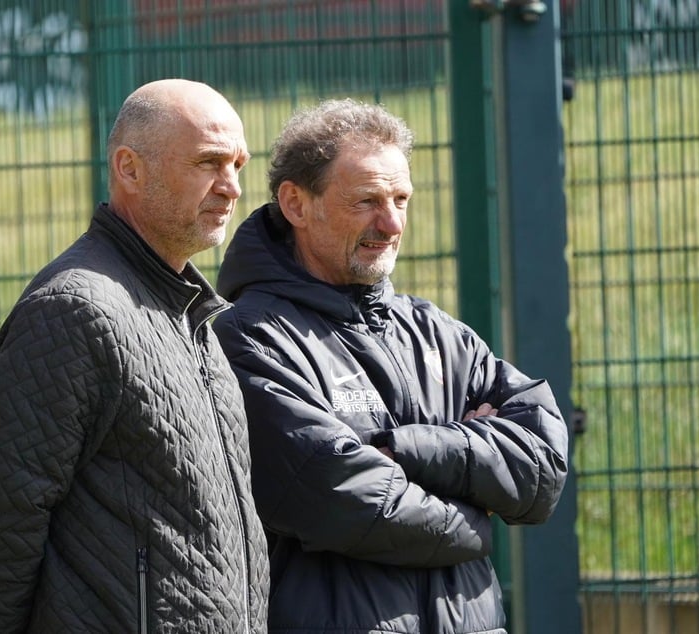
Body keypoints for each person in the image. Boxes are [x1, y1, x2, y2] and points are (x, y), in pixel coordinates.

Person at [211, 99, 569, 634]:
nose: (392, 222)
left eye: (401, 199)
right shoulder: (251, 336)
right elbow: (344, 500)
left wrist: (406, 450)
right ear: (296, 204)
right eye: (367, 201)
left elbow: (542, 466)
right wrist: (479, 513)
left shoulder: (437, 332)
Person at [0, 79, 269, 633]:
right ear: (129, 168)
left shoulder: (190, 313)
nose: (232, 186)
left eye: (238, 164)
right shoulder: (74, 311)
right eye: (209, 162)